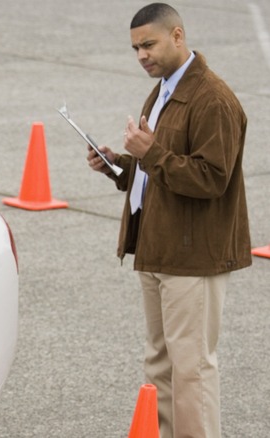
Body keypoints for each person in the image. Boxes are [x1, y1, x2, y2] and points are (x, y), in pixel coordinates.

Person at [86, 3, 251, 437]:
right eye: (136, 48)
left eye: (149, 44)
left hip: (193, 258)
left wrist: (150, 153)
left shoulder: (213, 99)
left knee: (192, 369)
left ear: (177, 36)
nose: (141, 55)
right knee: (160, 364)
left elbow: (212, 177)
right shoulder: (163, 90)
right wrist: (117, 165)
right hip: (157, 249)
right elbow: (156, 173)